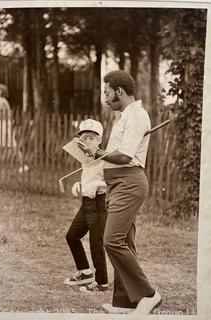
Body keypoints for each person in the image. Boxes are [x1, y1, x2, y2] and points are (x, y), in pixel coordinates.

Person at [78, 70, 161, 314]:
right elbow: (117, 154)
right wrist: (99, 153)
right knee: (125, 241)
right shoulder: (124, 115)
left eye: (107, 93)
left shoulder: (137, 116)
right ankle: (126, 304)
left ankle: (149, 294)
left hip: (129, 183)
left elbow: (125, 157)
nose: (105, 98)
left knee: (112, 240)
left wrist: (97, 153)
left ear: (119, 92)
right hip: (117, 183)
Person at [64, 119, 109, 293]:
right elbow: (89, 177)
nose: (87, 141)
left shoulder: (105, 158)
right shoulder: (85, 157)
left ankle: (102, 282)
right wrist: (79, 184)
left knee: (96, 243)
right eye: (84, 138)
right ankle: (85, 272)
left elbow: (108, 181)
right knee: (72, 236)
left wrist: (99, 186)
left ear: (99, 140)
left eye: (91, 137)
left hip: (99, 202)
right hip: (87, 202)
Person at [0, 83, 29, 173]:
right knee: (3, 145)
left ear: (0, 92)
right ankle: (23, 165)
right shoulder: (2, 101)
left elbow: (1, 115)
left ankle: (23, 165)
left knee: (3, 145)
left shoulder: (1, 101)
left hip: (4, 126)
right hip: (3, 125)